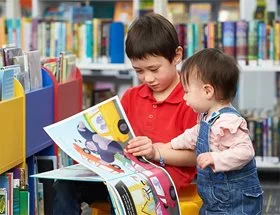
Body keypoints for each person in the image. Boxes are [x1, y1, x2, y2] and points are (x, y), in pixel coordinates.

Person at [53, 13, 197, 214]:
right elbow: (116, 140)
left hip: (162, 183)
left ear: (177, 56)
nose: (147, 78)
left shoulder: (191, 99)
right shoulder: (131, 96)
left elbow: (196, 156)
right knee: (64, 185)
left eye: (154, 69)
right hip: (121, 173)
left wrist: (156, 151)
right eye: (139, 71)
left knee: (123, 193)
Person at [130, 48, 263, 214]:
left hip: (237, 202)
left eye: (187, 92)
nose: (184, 98)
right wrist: (167, 146)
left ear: (207, 91)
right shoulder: (206, 117)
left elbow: (245, 152)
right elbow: (192, 136)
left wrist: (217, 158)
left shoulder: (228, 122)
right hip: (214, 200)